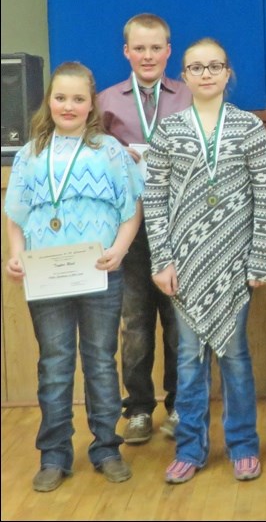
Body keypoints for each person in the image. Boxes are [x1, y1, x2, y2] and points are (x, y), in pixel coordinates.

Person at [143, 38, 266, 483]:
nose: (205, 74)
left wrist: (259, 258)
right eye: (196, 67)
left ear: (227, 73)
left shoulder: (249, 129)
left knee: (236, 356)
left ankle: (242, 444)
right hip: (184, 264)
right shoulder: (168, 131)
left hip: (235, 264)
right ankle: (190, 447)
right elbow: (155, 199)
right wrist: (161, 260)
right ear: (183, 74)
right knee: (188, 360)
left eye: (214, 66)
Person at [5, 62, 142, 492]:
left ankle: (106, 448)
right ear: (49, 101)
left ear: (91, 104)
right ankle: (54, 454)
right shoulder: (30, 154)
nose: (68, 106)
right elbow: (15, 218)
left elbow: (131, 210)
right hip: (47, 279)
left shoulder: (110, 151)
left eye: (78, 99)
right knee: (55, 364)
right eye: (60, 97)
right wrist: (16, 256)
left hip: (100, 274)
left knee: (101, 362)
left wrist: (119, 250)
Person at [98, 13, 192, 444]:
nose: (148, 55)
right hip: (129, 231)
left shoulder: (190, 96)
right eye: (140, 48)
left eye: (156, 48)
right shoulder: (105, 102)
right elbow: (91, 158)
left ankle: (180, 407)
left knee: (179, 323)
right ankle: (137, 409)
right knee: (134, 323)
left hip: (180, 226)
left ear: (169, 51)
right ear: (126, 52)